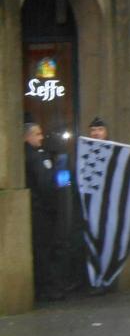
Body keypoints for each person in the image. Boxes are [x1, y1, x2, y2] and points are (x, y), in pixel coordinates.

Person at [24, 122, 63, 301]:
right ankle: (48, 288)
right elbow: (46, 183)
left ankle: (43, 287)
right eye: (37, 134)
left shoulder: (34, 154)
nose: (41, 137)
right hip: (42, 211)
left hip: (37, 209)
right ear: (27, 136)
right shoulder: (35, 157)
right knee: (44, 250)